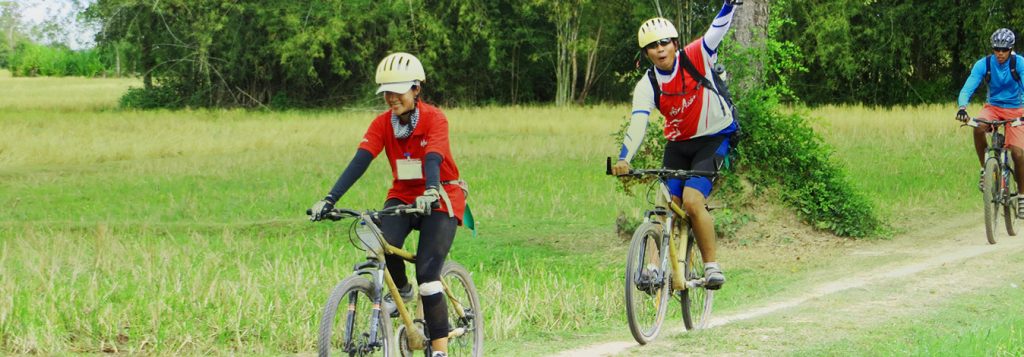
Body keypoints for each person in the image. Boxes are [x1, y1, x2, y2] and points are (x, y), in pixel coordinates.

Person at [309, 52, 466, 357]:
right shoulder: (383, 124)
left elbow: (434, 156)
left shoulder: (435, 118)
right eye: (387, 93)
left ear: (416, 89)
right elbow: (360, 161)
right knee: (382, 243)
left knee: (428, 275)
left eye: (399, 91)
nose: (392, 98)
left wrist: (432, 190)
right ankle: (402, 291)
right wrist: (330, 199)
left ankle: (440, 351)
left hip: (441, 196)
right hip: (403, 197)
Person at [611, 0, 742, 290]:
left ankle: (711, 267)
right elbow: (638, 122)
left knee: (694, 202)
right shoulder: (648, 84)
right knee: (663, 206)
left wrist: (729, 5)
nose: (661, 49)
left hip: (714, 138)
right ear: (646, 53)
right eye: (653, 46)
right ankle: (652, 268)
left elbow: (716, 30)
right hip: (679, 143)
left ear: (675, 43)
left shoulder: (696, 56)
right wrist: (624, 158)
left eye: (665, 42)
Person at [956, 28, 1024, 217]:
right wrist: (962, 107)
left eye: (1004, 49)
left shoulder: (1019, 64)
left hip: (1017, 108)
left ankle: (1021, 196)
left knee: (1018, 154)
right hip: (993, 107)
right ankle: (984, 169)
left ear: (1011, 49)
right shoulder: (983, 64)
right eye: (996, 49)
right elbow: (968, 87)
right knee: (978, 127)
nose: (1000, 53)